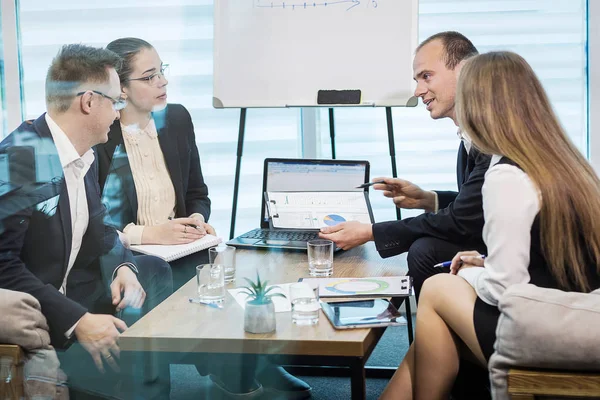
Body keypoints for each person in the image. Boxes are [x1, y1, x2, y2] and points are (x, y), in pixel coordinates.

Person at [96, 37, 311, 399]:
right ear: (119, 86)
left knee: (226, 267)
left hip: (179, 247)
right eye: (149, 77)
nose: (162, 82)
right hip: (124, 254)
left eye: (162, 71)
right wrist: (151, 234)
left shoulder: (176, 119)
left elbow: (198, 192)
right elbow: (93, 221)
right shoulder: (102, 135)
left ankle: (247, 367)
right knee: (185, 280)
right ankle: (239, 374)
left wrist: (196, 218)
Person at [380, 50, 600, 400]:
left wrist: (469, 274)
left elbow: (503, 289)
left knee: (439, 288)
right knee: (431, 334)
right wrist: (486, 263)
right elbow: (550, 251)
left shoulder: (505, 176)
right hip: (580, 312)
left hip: (553, 329)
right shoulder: (561, 161)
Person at [0, 44, 173, 398]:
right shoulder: (20, 159)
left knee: (152, 270)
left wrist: (122, 267)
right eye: (115, 101)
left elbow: (100, 228)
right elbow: (2, 266)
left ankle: (136, 387)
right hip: (39, 306)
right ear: (89, 102)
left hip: (73, 286)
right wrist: (77, 320)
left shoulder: (86, 154)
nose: (118, 112)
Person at [320, 31, 491, 299]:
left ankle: (446, 332)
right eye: (417, 80)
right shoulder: (470, 135)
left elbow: (464, 219)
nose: (418, 91)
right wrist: (427, 198)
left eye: (426, 76)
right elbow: (480, 204)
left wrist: (370, 232)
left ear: (464, 70)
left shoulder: (492, 137)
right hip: (491, 240)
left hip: (520, 259)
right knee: (425, 248)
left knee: (425, 251)